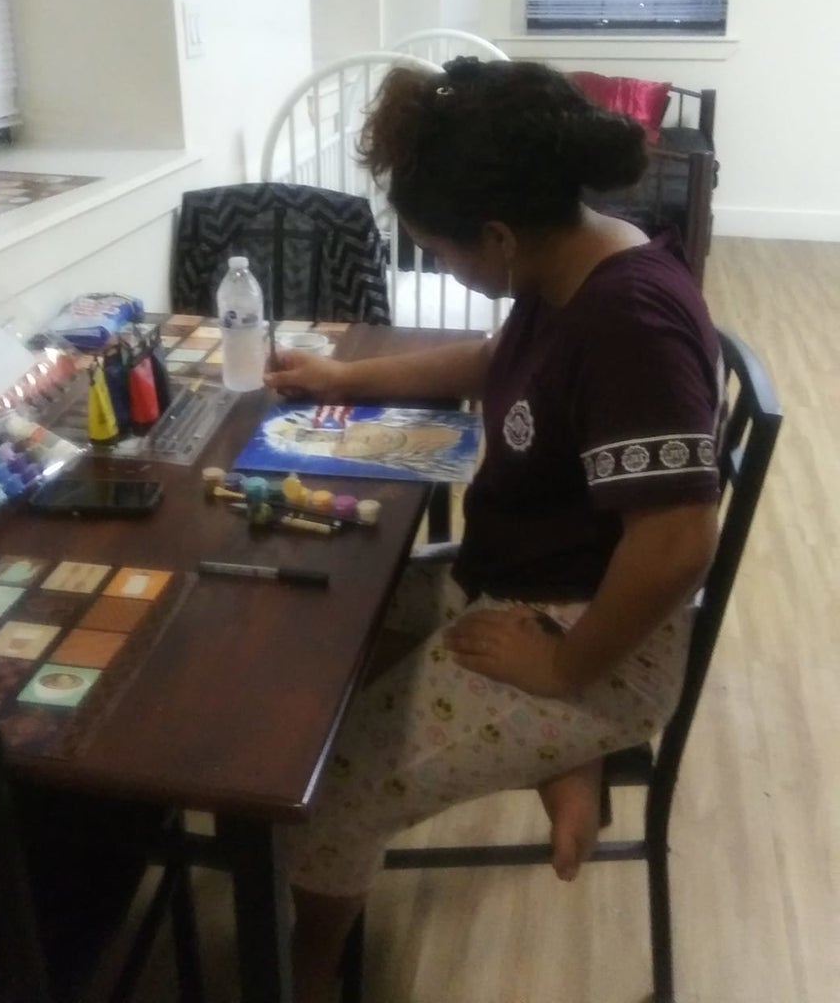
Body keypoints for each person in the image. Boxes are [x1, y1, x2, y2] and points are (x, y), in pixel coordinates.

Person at [264, 58, 723, 1003]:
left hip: (593, 634)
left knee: (333, 785)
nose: (440, 266)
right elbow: (491, 358)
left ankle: (302, 978)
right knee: (325, 613)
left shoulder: (628, 321)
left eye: (438, 249)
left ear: (500, 236)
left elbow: (678, 542)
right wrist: (345, 380)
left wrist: (564, 669)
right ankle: (561, 754)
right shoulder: (573, 266)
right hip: (516, 583)